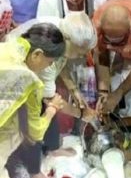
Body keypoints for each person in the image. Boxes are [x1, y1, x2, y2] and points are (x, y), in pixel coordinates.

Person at [5, 12, 98, 178]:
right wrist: (81, 114)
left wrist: (74, 90)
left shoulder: (60, 36)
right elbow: (46, 105)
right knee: (30, 126)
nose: (81, 57)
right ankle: (34, 171)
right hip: (13, 85)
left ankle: (53, 148)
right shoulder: (40, 64)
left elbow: (60, 66)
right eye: (79, 53)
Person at [0, 23, 66, 177]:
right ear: (37, 54)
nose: (47, 67)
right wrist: (52, 109)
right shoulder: (29, 80)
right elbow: (34, 132)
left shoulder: (6, 46)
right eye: (49, 63)